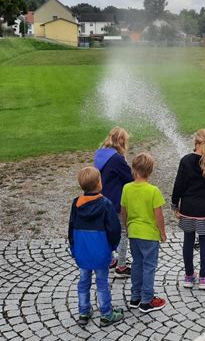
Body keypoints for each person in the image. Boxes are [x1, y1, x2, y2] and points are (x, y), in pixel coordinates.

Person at [68, 166, 123, 327]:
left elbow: (71, 228)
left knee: (83, 281)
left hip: (82, 251)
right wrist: (113, 246)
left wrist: (74, 248)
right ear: (99, 183)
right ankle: (106, 313)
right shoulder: (106, 204)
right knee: (102, 282)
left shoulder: (76, 204)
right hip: (101, 251)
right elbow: (114, 228)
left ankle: (83, 311)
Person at [171, 129, 205, 289]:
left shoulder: (185, 161)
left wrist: (175, 205)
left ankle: (188, 276)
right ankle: (203, 279)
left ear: (195, 143)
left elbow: (178, 185)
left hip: (187, 209)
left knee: (188, 240)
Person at [120, 152, 167, 313]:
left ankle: (135, 297)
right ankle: (147, 300)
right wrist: (162, 233)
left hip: (133, 233)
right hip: (149, 235)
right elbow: (158, 215)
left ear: (134, 169)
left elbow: (123, 211)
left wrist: (127, 227)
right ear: (150, 171)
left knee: (137, 264)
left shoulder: (126, 188)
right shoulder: (153, 191)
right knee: (149, 267)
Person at [94, 127, 133, 278]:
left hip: (102, 199)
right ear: (122, 141)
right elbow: (129, 177)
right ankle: (121, 267)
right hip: (116, 201)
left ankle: (111, 260)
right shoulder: (117, 159)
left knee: (107, 231)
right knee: (123, 232)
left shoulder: (100, 154)